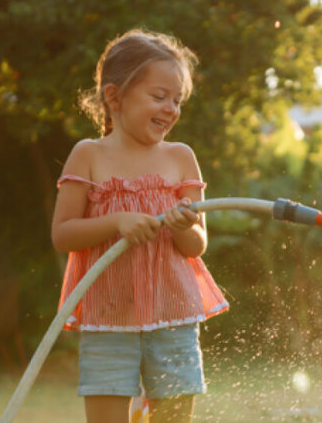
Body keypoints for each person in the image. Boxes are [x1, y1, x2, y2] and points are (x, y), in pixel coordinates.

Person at [51, 29, 227, 423]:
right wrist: (116, 221)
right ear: (114, 97)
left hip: (173, 317)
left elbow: (197, 245)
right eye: (159, 96)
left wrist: (183, 225)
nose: (171, 108)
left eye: (177, 100)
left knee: (174, 418)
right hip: (109, 317)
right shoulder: (88, 155)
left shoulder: (181, 157)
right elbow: (62, 234)